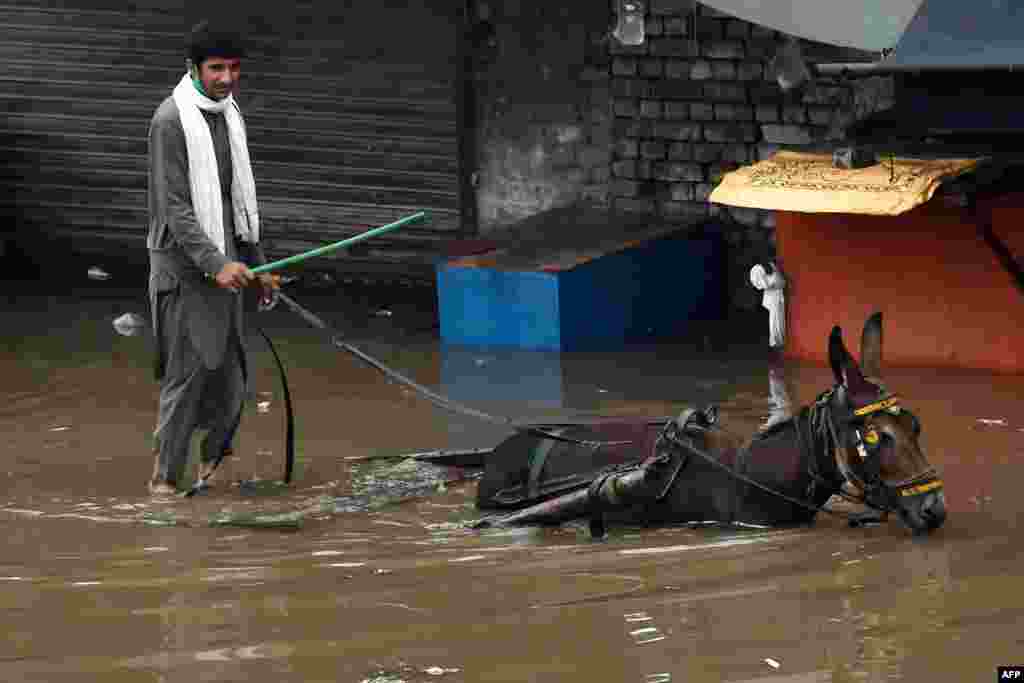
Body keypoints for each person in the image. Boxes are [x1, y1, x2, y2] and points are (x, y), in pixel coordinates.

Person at [146, 19, 277, 495]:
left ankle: (209, 474)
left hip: (229, 268)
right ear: (194, 68)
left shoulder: (228, 114)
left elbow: (237, 201)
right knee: (187, 378)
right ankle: (163, 483)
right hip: (186, 273)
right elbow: (175, 209)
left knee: (232, 380)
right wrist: (215, 263)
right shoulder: (169, 121)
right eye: (216, 68)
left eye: (234, 68)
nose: (226, 78)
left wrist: (258, 265)